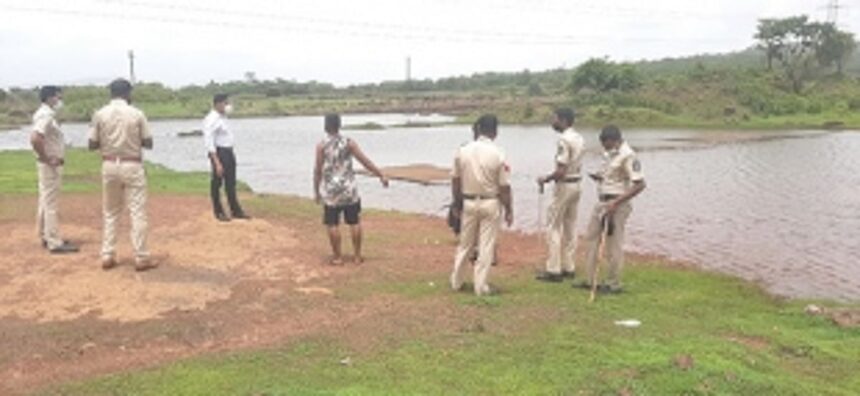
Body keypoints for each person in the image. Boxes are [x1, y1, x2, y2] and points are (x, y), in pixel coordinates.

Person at [88, 79, 156, 271]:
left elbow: (91, 144)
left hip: (109, 163)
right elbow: (149, 142)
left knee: (110, 211)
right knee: (137, 211)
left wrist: (108, 139)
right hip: (132, 163)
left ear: (111, 93)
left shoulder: (99, 114)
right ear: (127, 93)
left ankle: (108, 253)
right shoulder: (137, 113)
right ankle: (141, 256)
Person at [576, 125, 646, 293]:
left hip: (617, 204)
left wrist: (616, 203)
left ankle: (613, 283)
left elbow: (640, 184)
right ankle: (591, 279)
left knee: (613, 244)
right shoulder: (609, 155)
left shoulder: (628, 156)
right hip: (602, 201)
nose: (604, 148)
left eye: (606, 144)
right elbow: (613, 177)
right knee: (591, 238)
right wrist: (599, 177)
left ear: (614, 140)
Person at [313, 113, 389, 265]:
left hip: (331, 191)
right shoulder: (349, 143)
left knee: (332, 223)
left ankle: (337, 257)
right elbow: (364, 161)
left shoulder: (321, 146)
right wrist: (380, 174)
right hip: (349, 189)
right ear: (339, 125)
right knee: (354, 222)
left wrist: (316, 191)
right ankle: (357, 256)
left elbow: (317, 170)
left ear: (326, 126)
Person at [450, 114, 513, 296]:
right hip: (490, 202)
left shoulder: (463, 150)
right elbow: (504, 187)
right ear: (495, 131)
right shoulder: (498, 153)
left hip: (469, 201)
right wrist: (509, 209)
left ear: (478, 129)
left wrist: (456, 203)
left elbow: (455, 180)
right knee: (486, 245)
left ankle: (457, 281)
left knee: (465, 244)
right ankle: (480, 285)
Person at [536, 108, 584, 282]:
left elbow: (561, 170)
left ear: (563, 120)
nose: (552, 121)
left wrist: (546, 178)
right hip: (577, 183)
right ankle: (569, 266)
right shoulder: (579, 138)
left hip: (564, 185)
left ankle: (554, 269)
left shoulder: (564, 140)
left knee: (554, 225)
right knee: (571, 226)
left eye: (555, 118)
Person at [30, 85, 78, 254]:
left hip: (46, 163)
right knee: (50, 202)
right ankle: (54, 241)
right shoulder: (46, 115)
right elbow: (36, 138)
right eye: (58, 97)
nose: (59, 100)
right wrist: (46, 157)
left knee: (45, 200)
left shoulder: (43, 113)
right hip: (50, 165)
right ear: (50, 97)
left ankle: (46, 234)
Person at [203, 93, 249, 222]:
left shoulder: (222, 117)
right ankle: (218, 212)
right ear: (218, 104)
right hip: (219, 152)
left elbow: (232, 108)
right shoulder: (211, 119)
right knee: (217, 182)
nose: (227, 106)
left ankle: (236, 210)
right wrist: (216, 161)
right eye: (225, 103)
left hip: (228, 151)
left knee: (231, 182)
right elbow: (209, 141)